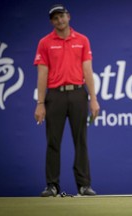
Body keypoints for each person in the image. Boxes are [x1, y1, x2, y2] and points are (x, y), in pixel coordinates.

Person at [34, 4, 100, 197]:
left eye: (62, 16)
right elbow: (42, 74)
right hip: (55, 96)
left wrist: (93, 99)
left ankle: (83, 185)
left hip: (78, 93)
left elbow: (88, 70)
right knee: (53, 141)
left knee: (81, 141)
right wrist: (40, 103)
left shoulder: (82, 40)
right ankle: (52, 185)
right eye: (55, 18)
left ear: (68, 16)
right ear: (51, 21)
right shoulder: (45, 43)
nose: (59, 20)